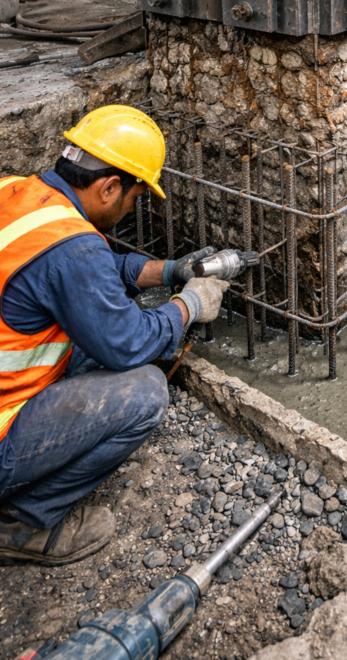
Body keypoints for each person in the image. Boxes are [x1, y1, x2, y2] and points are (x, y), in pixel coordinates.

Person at [0, 105, 228, 565]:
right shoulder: (72, 248)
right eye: (135, 198)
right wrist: (189, 305)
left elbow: (79, 268)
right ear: (108, 187)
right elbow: (126, 342)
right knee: (145, 392)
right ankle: (22, 523)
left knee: (94, 347)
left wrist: (168, 271)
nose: (131, 208)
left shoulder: (17, 192)